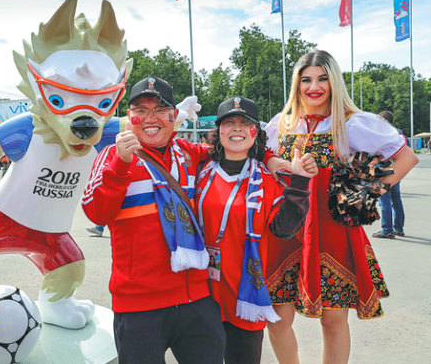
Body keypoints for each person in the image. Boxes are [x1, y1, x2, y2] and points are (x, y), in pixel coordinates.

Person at [263, 50, 419, 364]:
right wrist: (278, 161)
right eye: (306, 79)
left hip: (332, 228)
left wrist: (366, 189)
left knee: (333, 321)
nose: (313, 86)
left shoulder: (352, 123)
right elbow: (261, 155)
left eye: (322, 79)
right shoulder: (282, 122)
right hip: (285, 229)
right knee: (276, 319)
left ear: (334, 82)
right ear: (297, 84)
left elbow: (406, 157)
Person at [82, 76, 226, 363]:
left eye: (159, 110)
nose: (151, 118)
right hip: (138, 307)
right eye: (141, 110)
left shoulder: (189, 153)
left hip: (197, 300)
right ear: (130, 117)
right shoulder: (112, 155)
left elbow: (235, 148)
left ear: (174, 116)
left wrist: (270, 159)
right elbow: (95, 212)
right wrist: (120, 166)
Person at [195, 96, 318, 364]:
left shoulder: (266, 179)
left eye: (245, 123)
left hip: (244, 297)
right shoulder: (200, 168)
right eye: (229, 123)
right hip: (200, 293)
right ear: (219, 132)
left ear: (256, 133)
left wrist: (298, 182)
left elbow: (284, 229)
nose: (237, 129)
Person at [373, 111, 406, 238]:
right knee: (396, 200)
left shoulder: (380, 134)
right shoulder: (399, 133)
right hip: (397, 168)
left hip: (383, 170)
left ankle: (387, 229)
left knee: (384, 201)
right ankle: (399, 228)